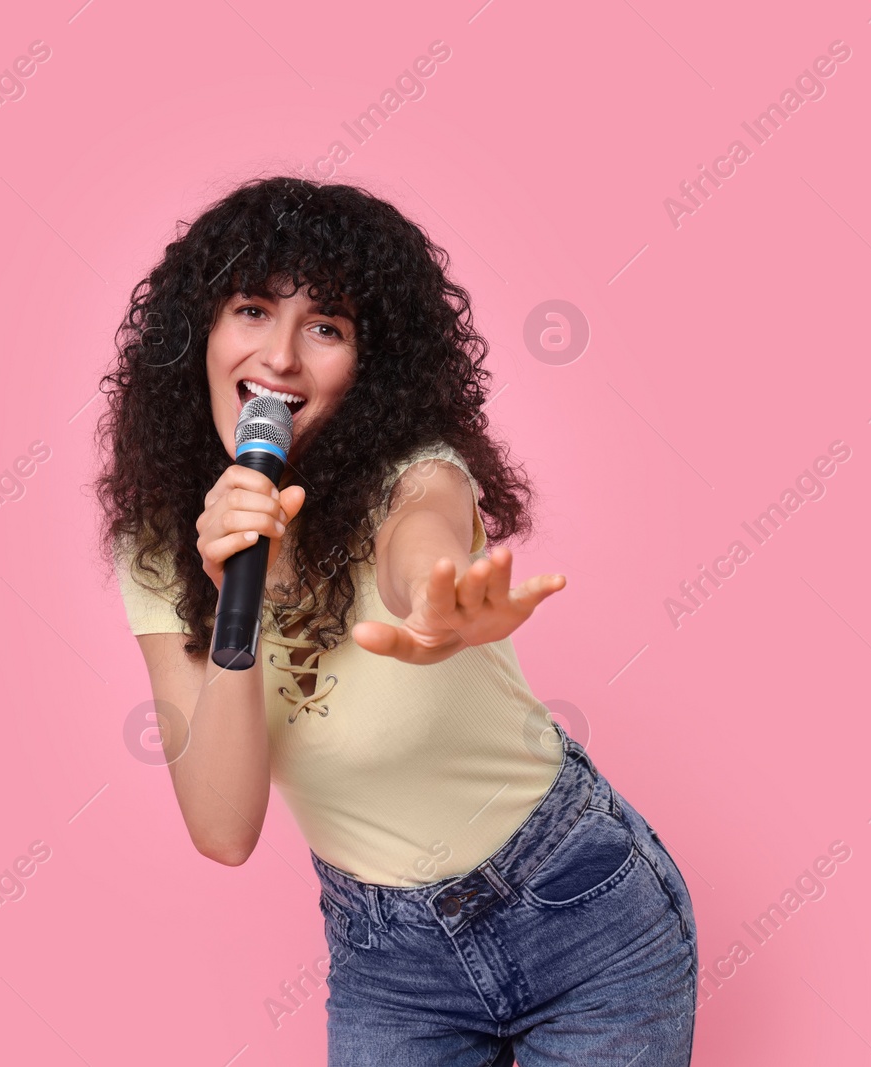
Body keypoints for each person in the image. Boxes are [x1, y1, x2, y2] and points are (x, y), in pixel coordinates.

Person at [95, 176, 698, 1065]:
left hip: (579, 908)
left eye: (327, 327)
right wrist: (235, 596)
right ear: (200, 330)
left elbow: (425, 539)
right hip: (390, 961)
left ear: (370, 366)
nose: (283, 357)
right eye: (254, 309)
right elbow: (223, 828)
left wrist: (437, 603)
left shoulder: (415, 473)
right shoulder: (156, 550)